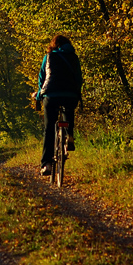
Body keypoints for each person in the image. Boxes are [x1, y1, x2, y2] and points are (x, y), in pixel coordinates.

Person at [33, 34, 82, 176]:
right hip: (70, 94)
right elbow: (78, 78)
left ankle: (46, 164)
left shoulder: (48, 57)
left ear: (53, 45)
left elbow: (42, 79)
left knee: (49, 129)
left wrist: (38, 95)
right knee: (68, 112)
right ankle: (69, 135)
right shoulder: (74, 57)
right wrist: (76, 92)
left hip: (51, 94)